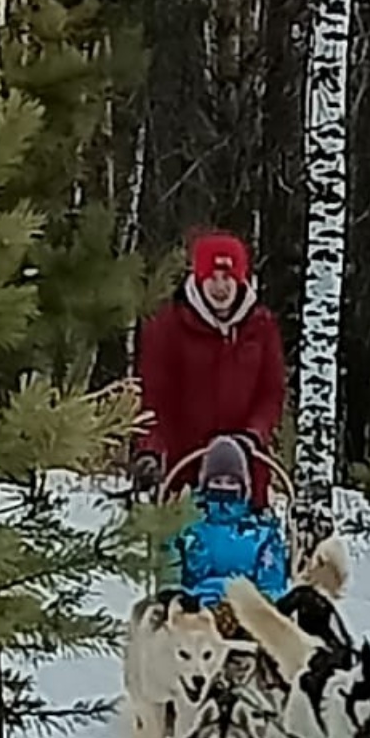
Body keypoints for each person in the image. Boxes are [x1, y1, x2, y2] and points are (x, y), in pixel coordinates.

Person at [136, 231, 287, 506]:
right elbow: (154, 399)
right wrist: (150, 450)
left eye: (228, 277)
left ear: (240, 278)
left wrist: (252, 435)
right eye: (212, 277)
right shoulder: (168, 327)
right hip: (184, 473)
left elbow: (271, 393)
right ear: (198, 278)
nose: (220, 287)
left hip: (246, 474)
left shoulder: (261, 327)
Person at [161, 434, 290, 609]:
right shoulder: (188, 528)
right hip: (192, 614)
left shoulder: (261, 534)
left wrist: (260, 608)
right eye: (217, 481)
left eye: (231, 482)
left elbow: (272, 586)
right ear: (205, 484)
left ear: (243, 487)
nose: (224, 487)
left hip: (247, 614)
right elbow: (169, 577)